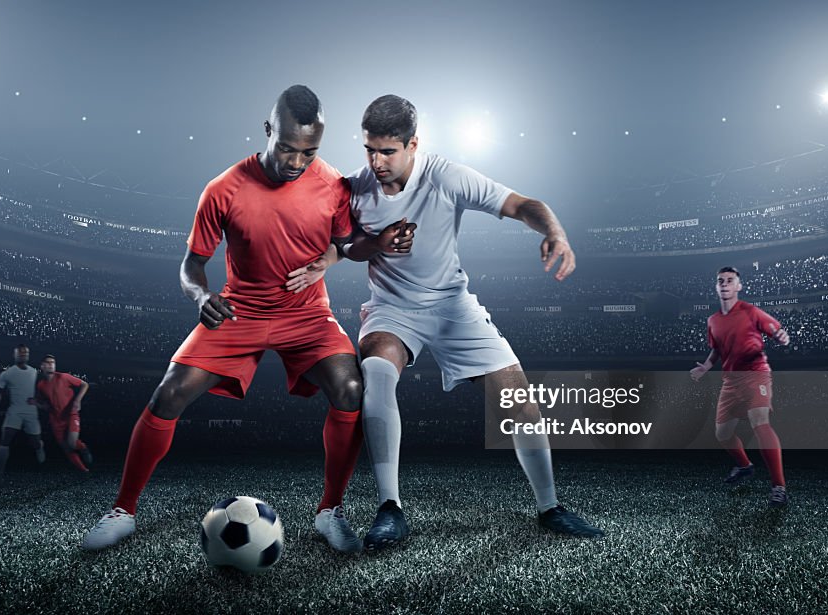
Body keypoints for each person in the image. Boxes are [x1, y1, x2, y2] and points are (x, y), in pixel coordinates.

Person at [82, 85, 408, 553]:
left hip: (307, 313)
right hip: (241, 311)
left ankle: (330, 511)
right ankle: (123, 511)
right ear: (267, 130)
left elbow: (347, 245)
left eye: (309, 152)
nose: (297, 162)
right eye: (287, 149)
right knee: (168, 394)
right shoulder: (223, 188)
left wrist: (348, 252)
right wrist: (200, 296)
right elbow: (191, 265)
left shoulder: (333, 185)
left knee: (351, 388)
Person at [289, 94, 603, 548]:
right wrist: (375, 245)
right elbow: (347, 244)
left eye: (387, 151)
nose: (376, 161)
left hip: (454, 306)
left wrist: (555, 232)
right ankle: (389, 508)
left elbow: (521, 204)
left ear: (413, 144)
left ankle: (550, 506)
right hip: (392, 309)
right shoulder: (355, 188)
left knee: (520, 400)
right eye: (369, 149)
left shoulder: (446, 176)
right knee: (376, 371)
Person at [690, 266, 790, 507]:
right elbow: (716, 348)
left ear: (738, 286)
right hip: (730, 381)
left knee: (760, 422)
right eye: (720, 280)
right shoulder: (712, 320)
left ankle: (779, 487)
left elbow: (774, 328)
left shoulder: (750, 311)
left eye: (730, 280)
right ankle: (745, 466)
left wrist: (780, 335)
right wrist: (705, 366)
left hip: (756, 374)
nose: (725, 284)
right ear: (716, 287)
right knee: (722, 434)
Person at [0, 343, 44, 485]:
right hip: (14, 410)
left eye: (25, 353)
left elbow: (39, 390)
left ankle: (40, 447)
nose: (23, 355)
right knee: (5, 439)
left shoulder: (34, 372)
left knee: (35, 442)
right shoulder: (7, 373)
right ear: (15, 355)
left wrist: (37, 401)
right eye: (20, 353)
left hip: (30, 411)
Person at [35, 354, 93, 473]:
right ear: (42, 366)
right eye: (48, 362)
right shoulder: (41, 385)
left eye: (53, 362)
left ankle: (83, 448)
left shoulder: (63, 377)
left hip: (70, 413)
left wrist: (77, 400)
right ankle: (83, 470)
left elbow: (84, 384)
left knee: (72, 443)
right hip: (56, 418)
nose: (51, 364)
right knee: (66, 447)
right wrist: (37, 404)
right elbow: (46, 405)